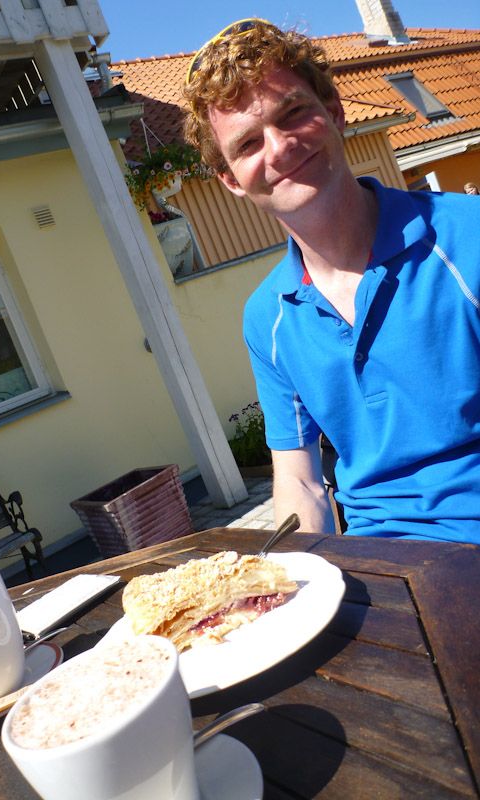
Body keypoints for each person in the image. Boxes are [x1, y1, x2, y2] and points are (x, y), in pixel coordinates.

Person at [183, 18, 480, 544]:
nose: (278, 148)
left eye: (293, 113)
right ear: (231, 180)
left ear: (335, 113)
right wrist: (295, 580)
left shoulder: (466, 237)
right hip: (377, 567)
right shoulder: (267, 317)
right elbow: (300, 479)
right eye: (248, 143)